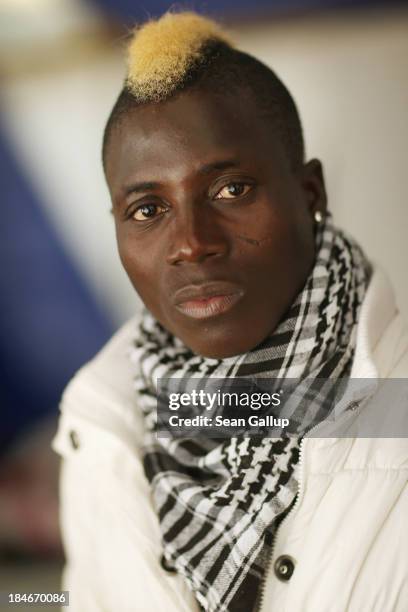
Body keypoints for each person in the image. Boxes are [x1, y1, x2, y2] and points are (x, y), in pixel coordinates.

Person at [52, 11, 408, 612]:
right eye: (146, 210)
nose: (192, 242)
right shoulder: (99, 426)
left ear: (310, 193)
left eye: (231, 189)